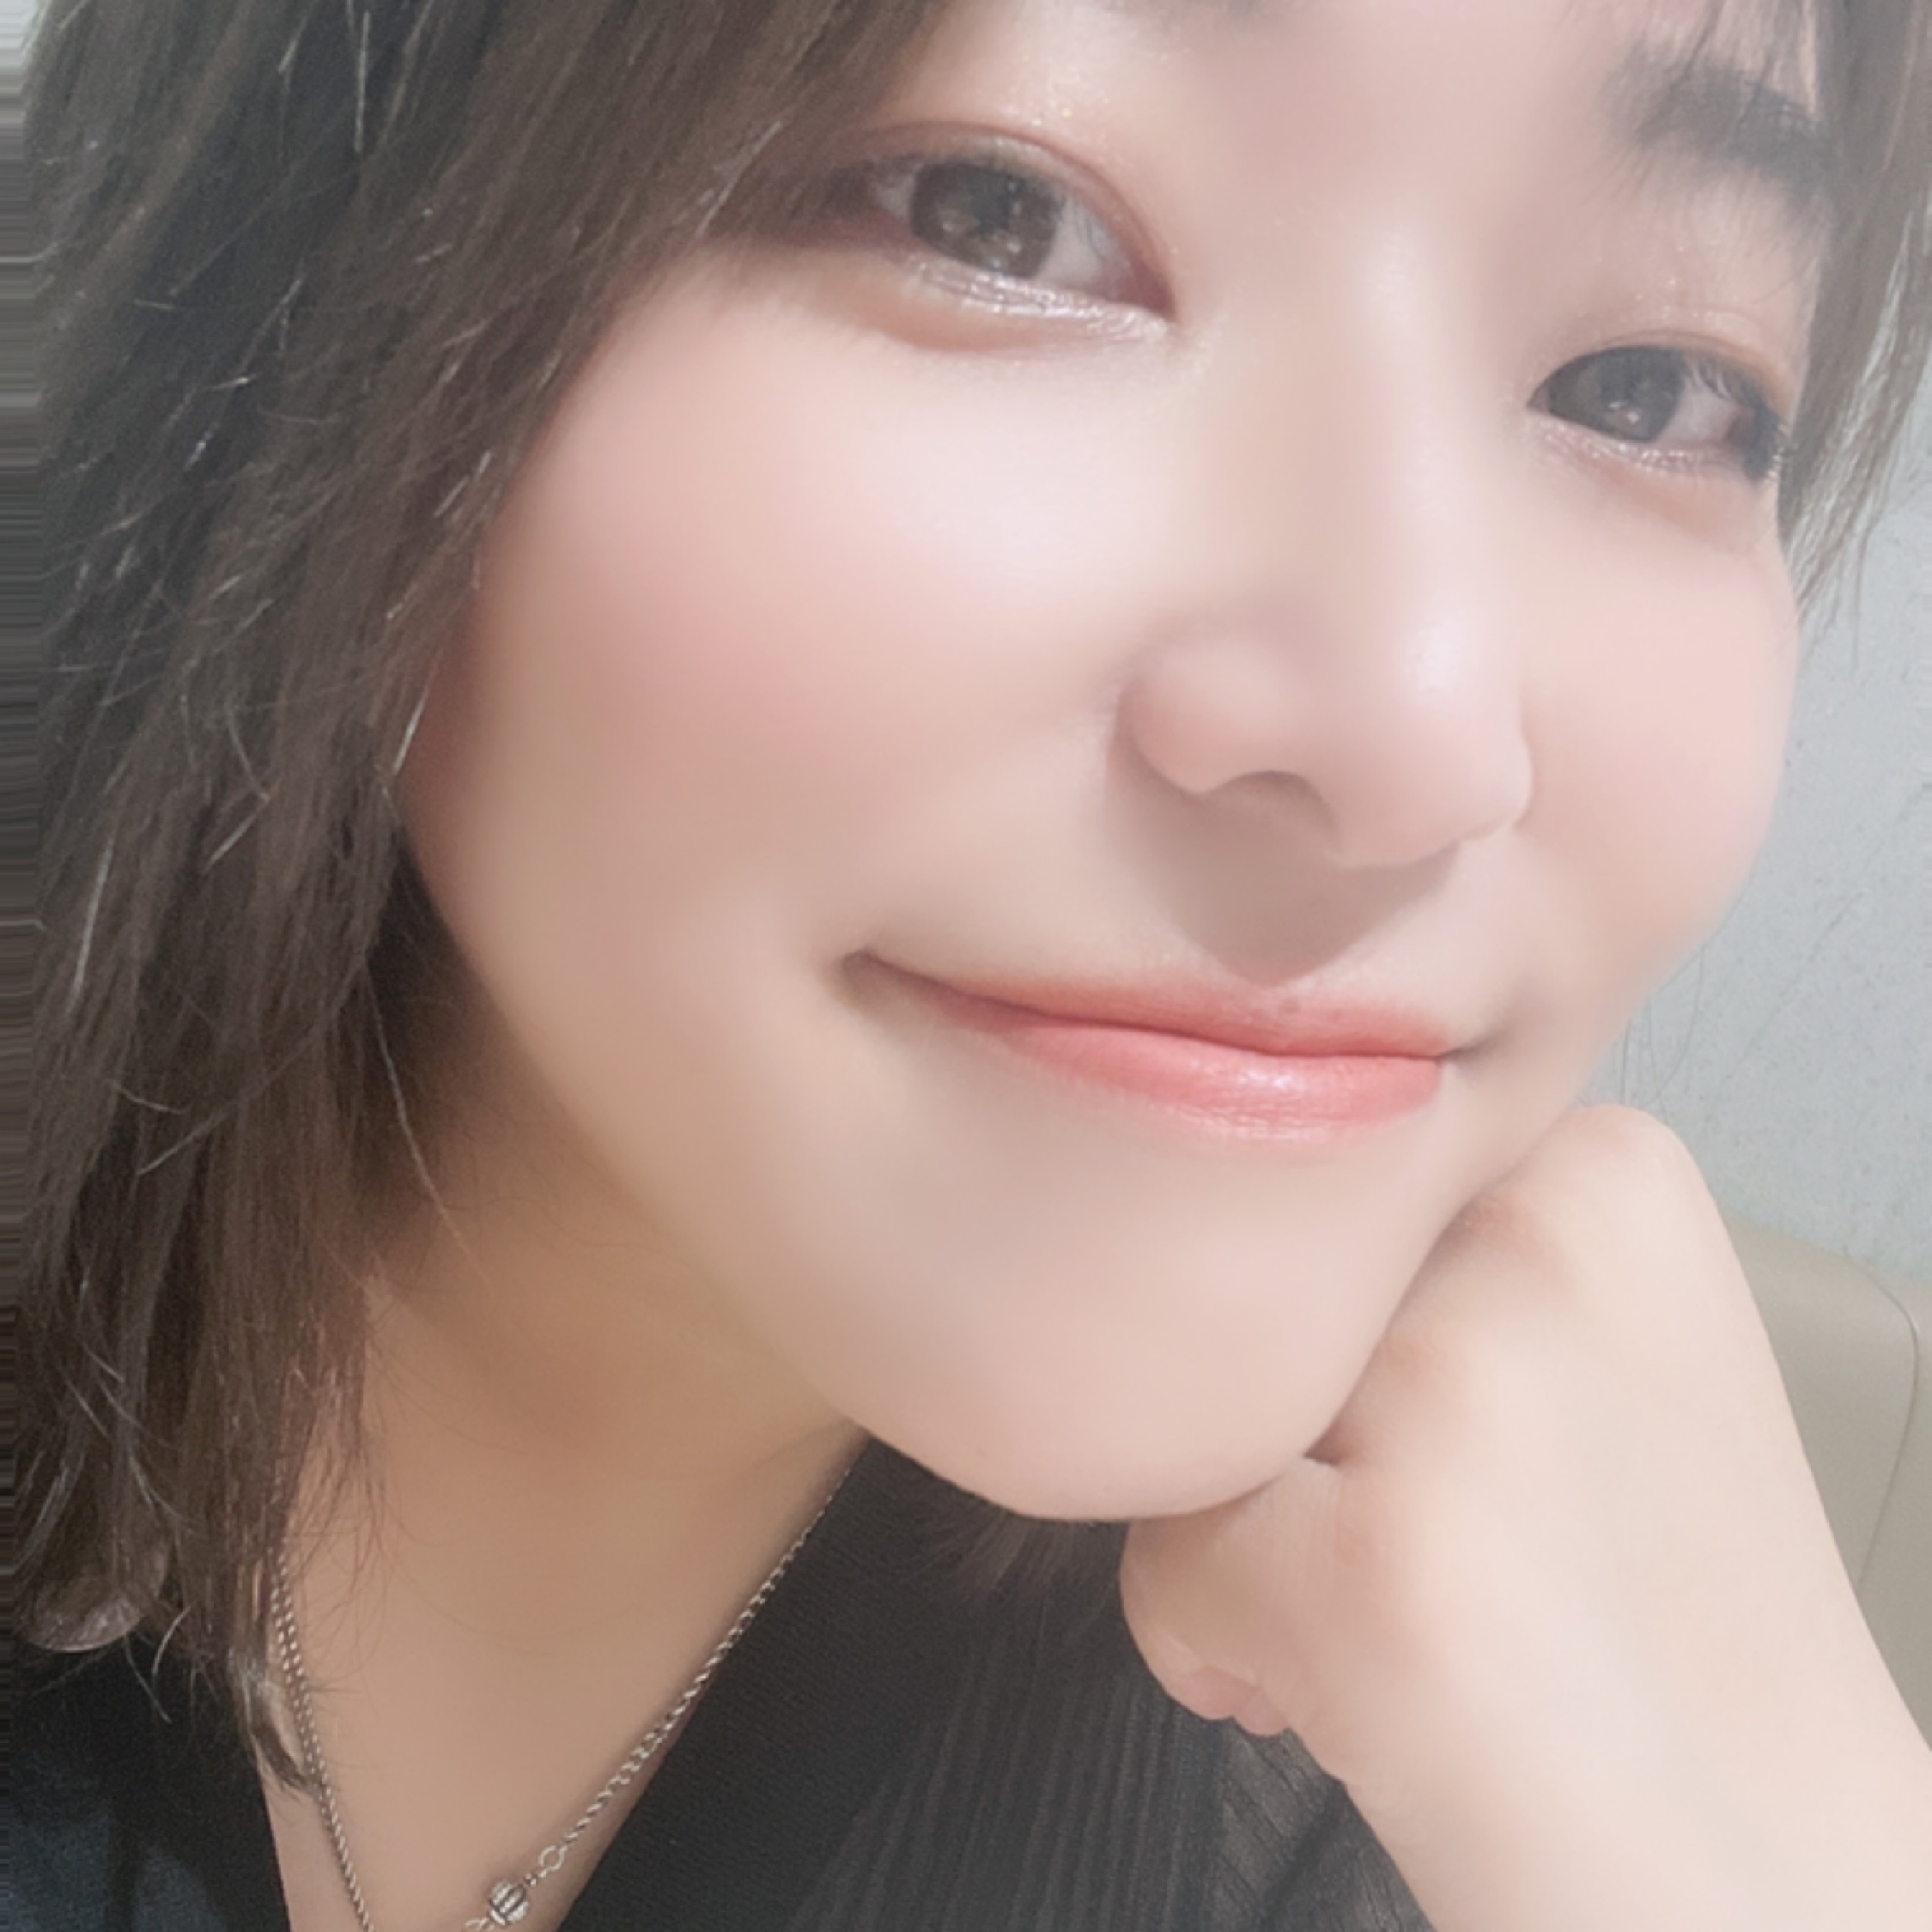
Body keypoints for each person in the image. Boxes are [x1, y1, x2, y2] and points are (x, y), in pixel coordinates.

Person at [20, 0, 1932, 1926]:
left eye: (1649, 390)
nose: (1414, 735)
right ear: (317, 239)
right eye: (993, 214)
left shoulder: (1419, 1775)